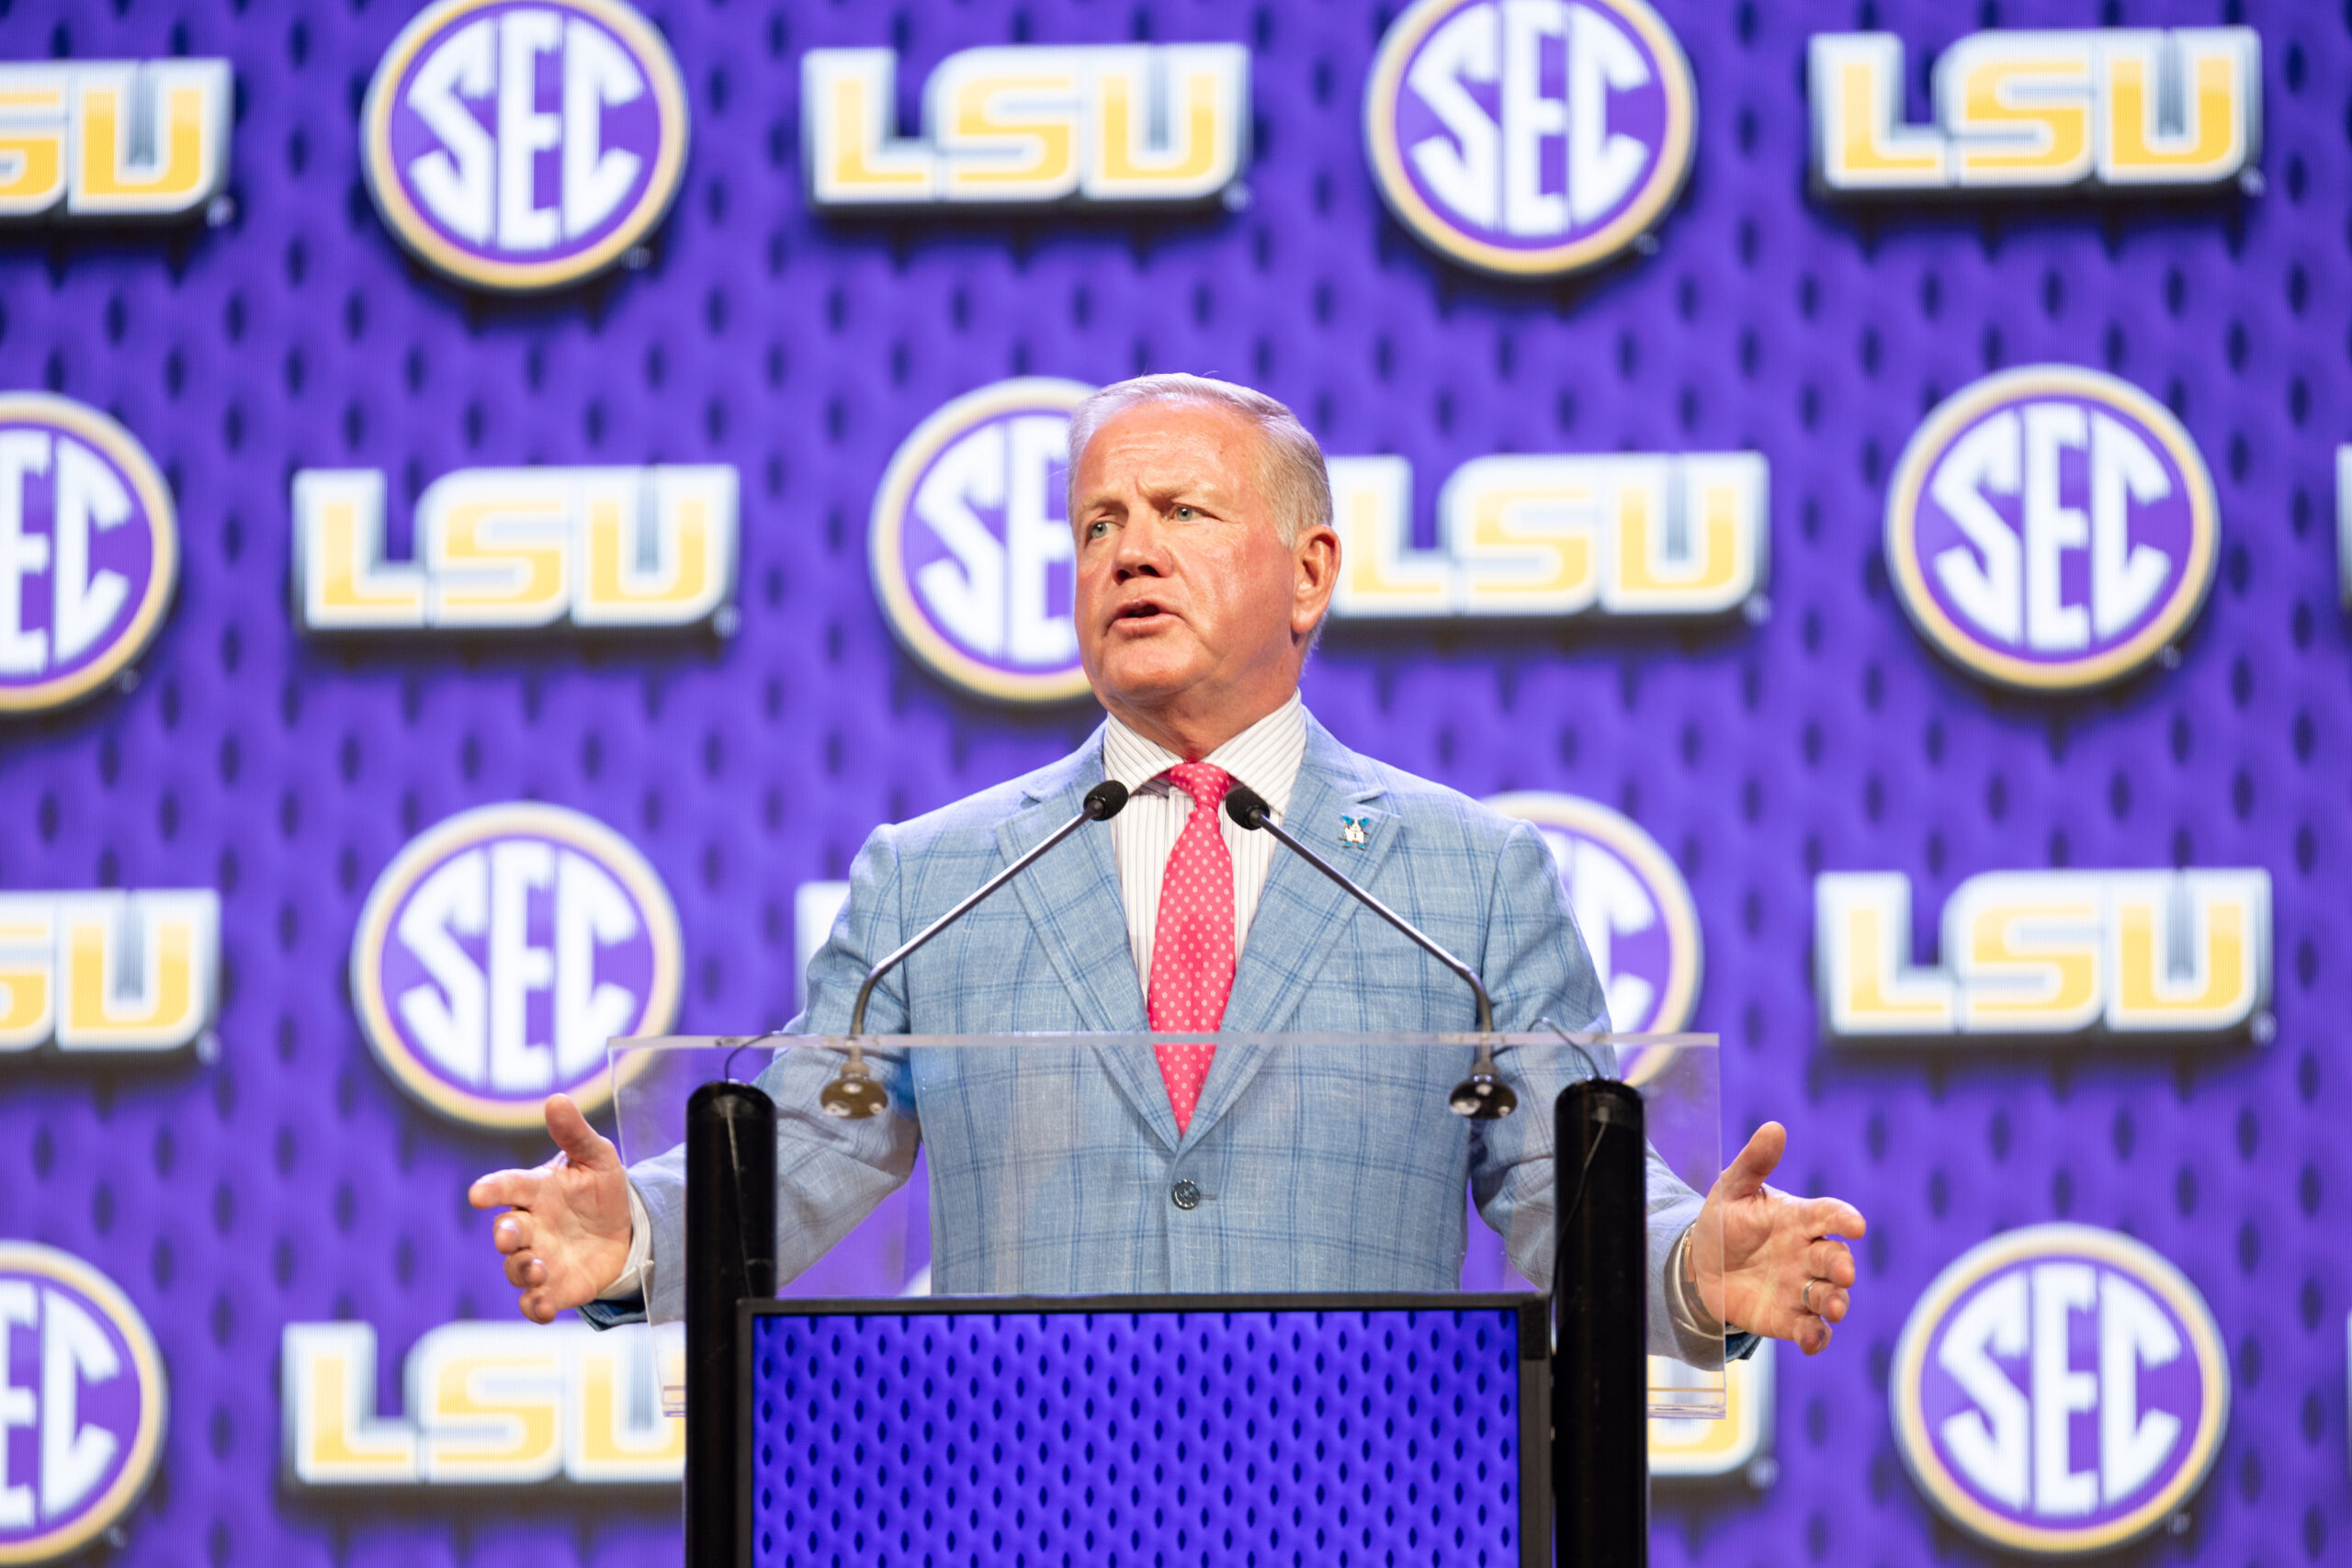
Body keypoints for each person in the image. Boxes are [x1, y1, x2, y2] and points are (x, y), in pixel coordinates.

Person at [469, 374, 1865, 1359]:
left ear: (1310, 573)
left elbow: (1562, 1182)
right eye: (1097, 525)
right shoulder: (935, 876)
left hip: (1363, 1500)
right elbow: (805, 1145)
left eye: (1182, 514)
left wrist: (1692, 1264)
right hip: (1022, 1504)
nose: (1129, 552)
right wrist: (640, 1231)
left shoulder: (1470, 879)